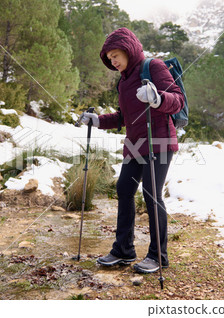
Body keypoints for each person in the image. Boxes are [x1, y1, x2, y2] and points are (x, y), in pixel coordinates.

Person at [80, 27, 185, 274]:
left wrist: (157, 98)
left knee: (151, 194)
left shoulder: (154, 67)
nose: (112, 61)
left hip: (158, 140)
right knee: (124, 188)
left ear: (128, 49)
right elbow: (123, 117)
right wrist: (96, 120)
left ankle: (158, 256)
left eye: (115, 55)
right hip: (136, 143)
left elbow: (177, 99)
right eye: (109, 58)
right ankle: (123, 250)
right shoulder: (124, 81)